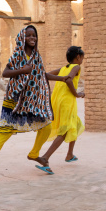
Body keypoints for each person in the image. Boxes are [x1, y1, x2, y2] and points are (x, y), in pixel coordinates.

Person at [0, 25, 69, 183]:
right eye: (29, 36)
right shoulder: (17, 55)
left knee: (46, 125)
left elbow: (42, 74)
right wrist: (22, 70)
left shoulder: (36, 56)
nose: (32, 38)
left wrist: (62, 78)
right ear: (22, 38)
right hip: (14, 100)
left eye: (34, 36)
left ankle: (34, 154)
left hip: (30, 101)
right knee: (4, 134)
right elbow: (5, 73)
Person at [37, 46, 85, 174]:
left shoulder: (64, 68)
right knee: (64, 130)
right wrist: (77, 94)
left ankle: (69, 154)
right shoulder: (76, 67)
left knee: (76, 123)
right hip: (67, 101)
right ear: (78, 57)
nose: (82, 60)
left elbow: (46, 75)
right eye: (82, 58)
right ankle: (45, 158)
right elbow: (69, 79)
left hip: (58, 100)